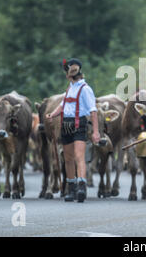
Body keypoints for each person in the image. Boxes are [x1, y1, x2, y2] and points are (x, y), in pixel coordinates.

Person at [46, 58, 100, 203]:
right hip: (66, 124)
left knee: (78, 156)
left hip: (79, 123)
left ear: (70, 74)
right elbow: (63, 105)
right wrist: (52, 115)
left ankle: (81, 186)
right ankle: (71, 188)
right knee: (68, 158)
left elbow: (93, 111)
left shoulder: (85, 89)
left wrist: (96, 132)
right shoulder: (70, 89)